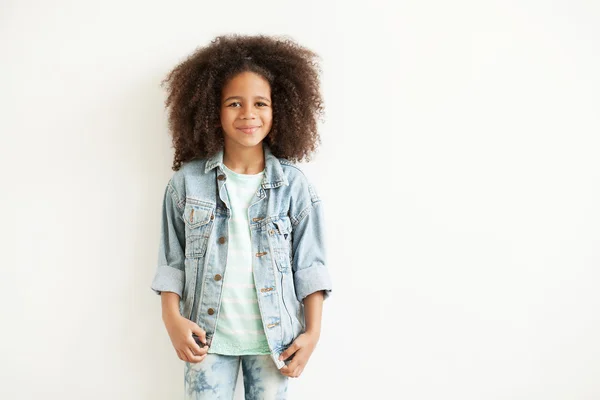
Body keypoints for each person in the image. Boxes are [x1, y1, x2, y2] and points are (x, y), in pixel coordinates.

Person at [150, 34, 333, 399]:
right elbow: (171, 263)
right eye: (234, 103)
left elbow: (310, 267)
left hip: (275, 341)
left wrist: (312, 335)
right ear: (210, 111)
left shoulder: (294, 187)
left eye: (260, 103)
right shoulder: (186, 184)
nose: (248, 114)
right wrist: (171, 319)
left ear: (278, 110)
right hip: (205, 337)